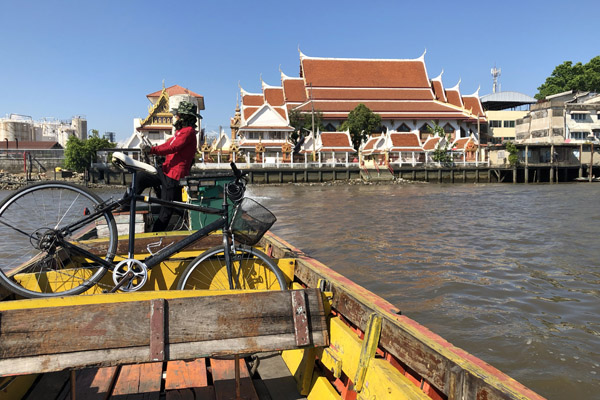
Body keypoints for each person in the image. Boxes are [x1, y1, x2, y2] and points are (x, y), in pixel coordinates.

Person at [135, 101, 200, 232]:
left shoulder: (187, 132)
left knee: (167, 207)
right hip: (166, 170)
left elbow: (171, 147)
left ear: (184, 117)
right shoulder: (181, 132)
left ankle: (155, 234)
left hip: (174, 174)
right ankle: (124, 205)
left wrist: (152, 150)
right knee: (141, 178)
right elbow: (169, 144)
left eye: (178, 115)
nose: (175, 117)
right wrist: (154, 150)